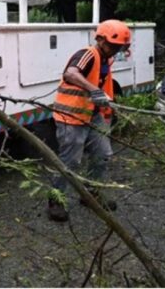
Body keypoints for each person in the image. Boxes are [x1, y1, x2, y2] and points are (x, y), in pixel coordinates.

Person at [48, 19, 131, 222]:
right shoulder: (87, 54)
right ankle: (56, 201)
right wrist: (94, 90)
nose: (115, 50)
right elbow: (70, 73)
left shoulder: (106, 61)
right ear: (101, 39)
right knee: (70, 161)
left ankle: (91, 195)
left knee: (102, 154)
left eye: (119, 47)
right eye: (113, 45)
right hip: (71, 116)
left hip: (93, 115)